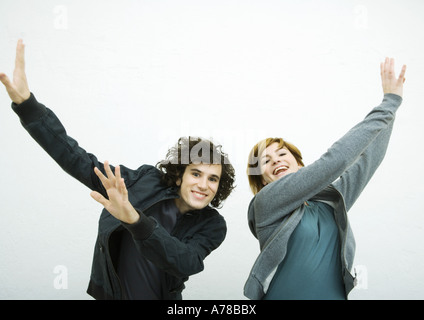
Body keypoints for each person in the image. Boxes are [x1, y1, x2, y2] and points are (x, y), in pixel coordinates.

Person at [0, 39, 236, 300]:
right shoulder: (144, 181)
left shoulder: (213, 224)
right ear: (180, 175)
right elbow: (77, 159)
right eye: (196, 173)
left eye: (213, 179)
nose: (204, 184)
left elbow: (186, 262)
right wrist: (27, 107)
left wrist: (135, 220)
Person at [243, 58, 407, 300]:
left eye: (281, 154)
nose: (276, 160)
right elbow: (335, 161)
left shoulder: (332, 201)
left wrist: (393, 106)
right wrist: (387, 105)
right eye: (265, 161)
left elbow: (368, 160)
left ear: (300, 164)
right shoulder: (266, 203)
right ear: (263, 181)